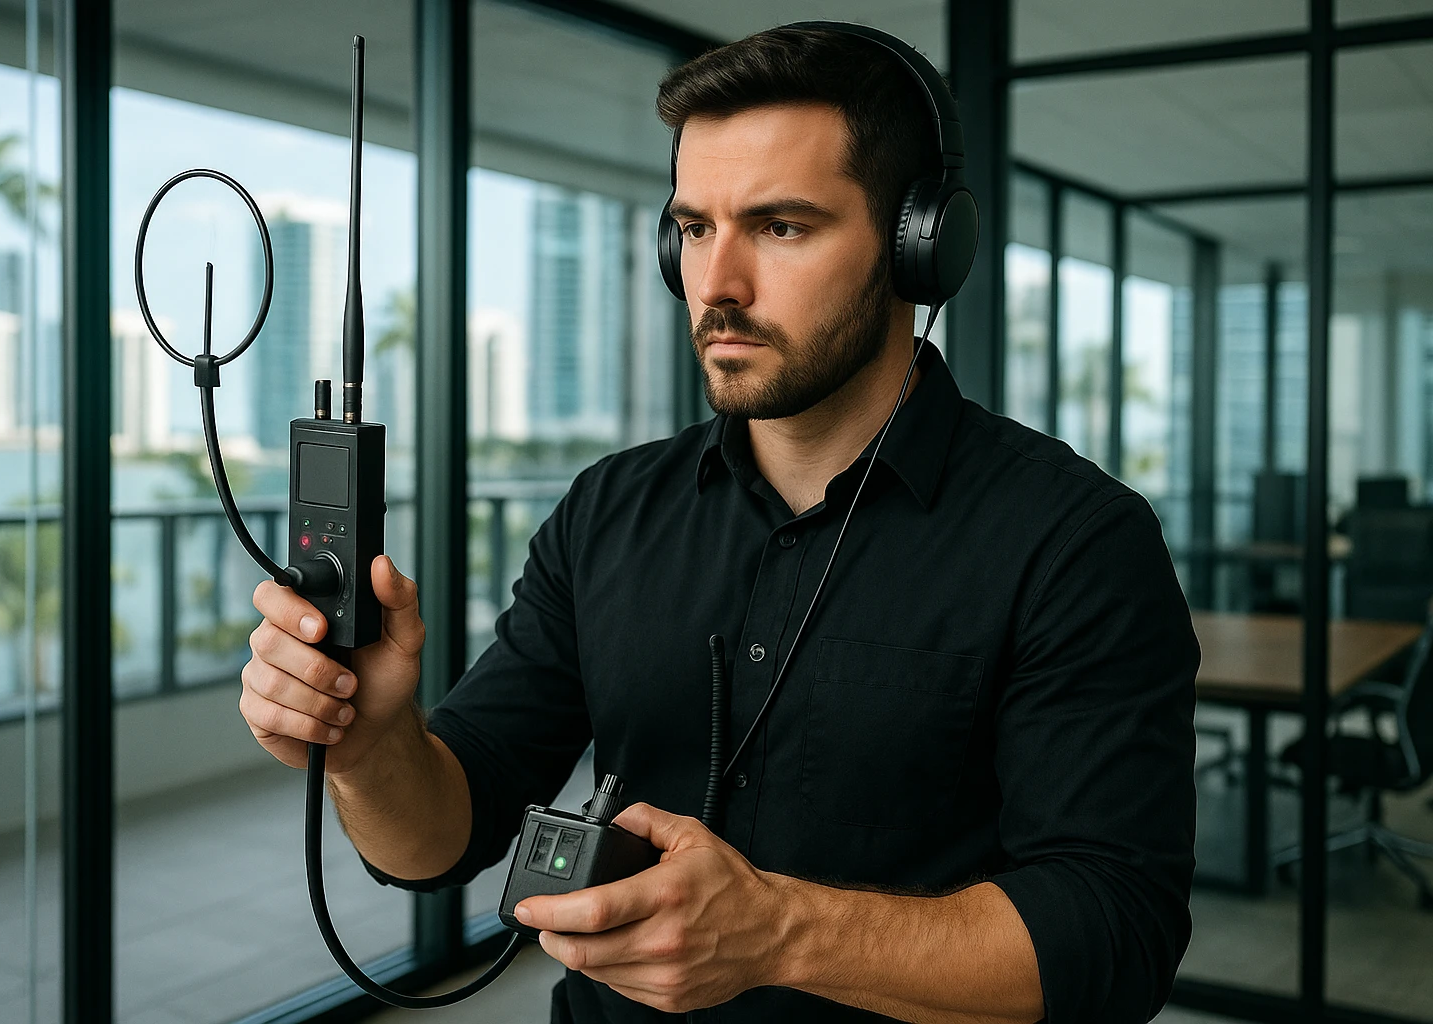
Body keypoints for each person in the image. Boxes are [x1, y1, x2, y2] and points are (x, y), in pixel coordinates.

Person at [240, 23, 1199, 1024]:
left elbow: (1112, 936)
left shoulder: (1076, 541)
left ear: (919, 246)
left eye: (781, 226)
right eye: (695, 228)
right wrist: (370, 741)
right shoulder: (606, 511)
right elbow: (440, 835)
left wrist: (780, 930)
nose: (718, 284)